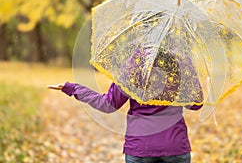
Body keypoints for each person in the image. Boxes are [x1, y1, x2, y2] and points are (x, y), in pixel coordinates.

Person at [48, 49, 203, 163]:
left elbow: (108, 104)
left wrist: (73, 88)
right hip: (175, 147)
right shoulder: (182, 63)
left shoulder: (133, 65)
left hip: (141, 148)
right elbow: (196, 105)